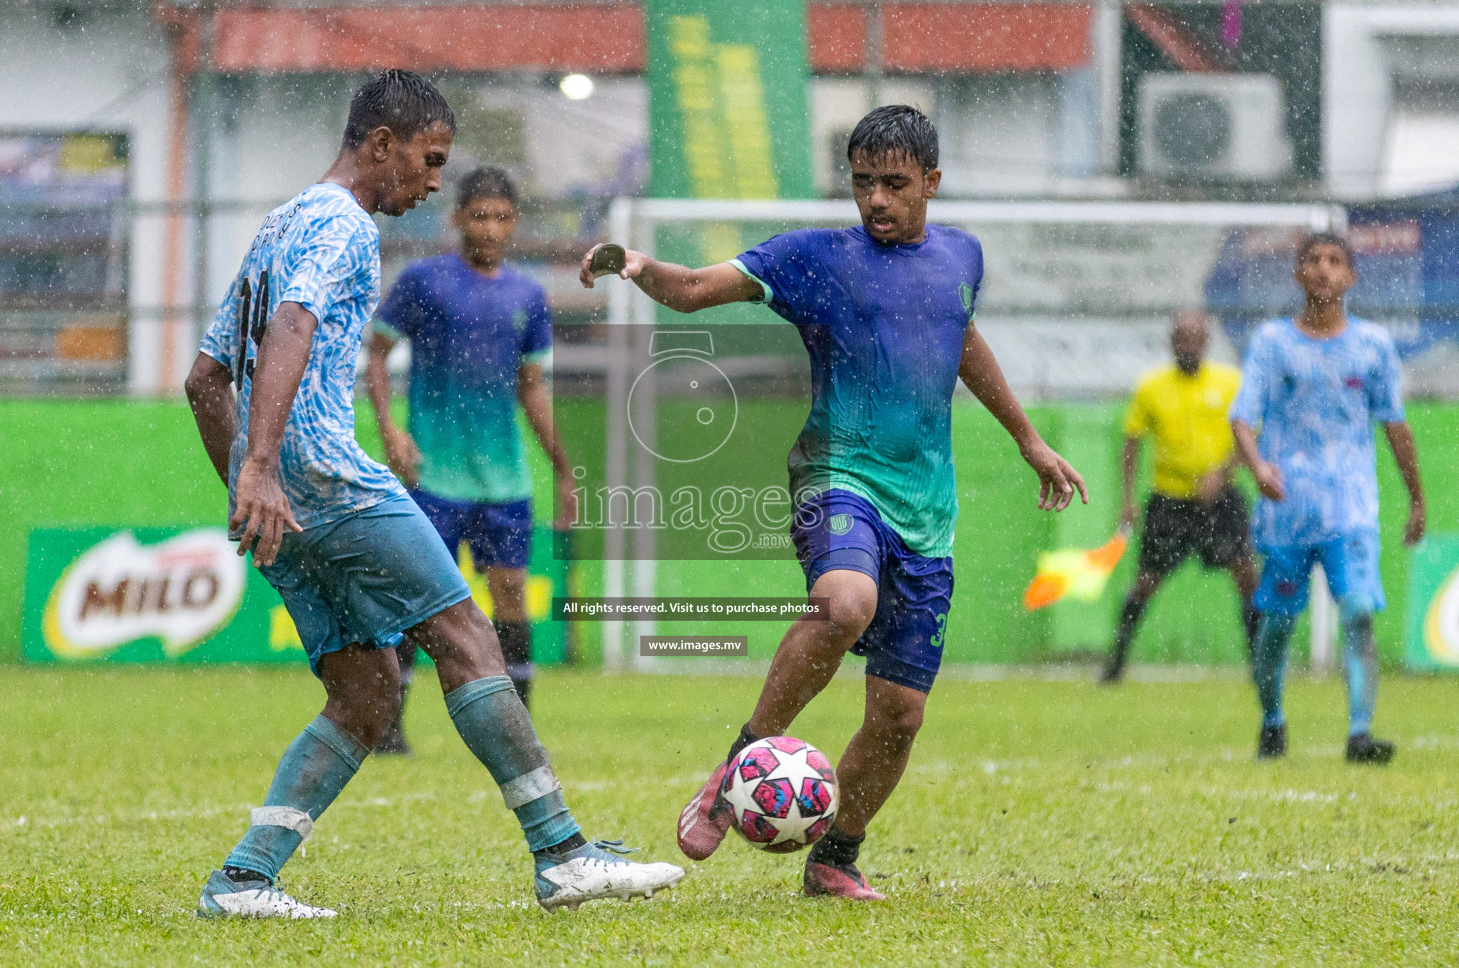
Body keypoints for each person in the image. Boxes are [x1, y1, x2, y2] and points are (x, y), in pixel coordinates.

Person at [183, 70, 682, 919]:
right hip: (329, 476)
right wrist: (268, 468)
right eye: (429, 159)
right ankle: (563, 854)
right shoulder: (343, 226)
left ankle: (243, 880)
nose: (434, 181)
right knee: (466, 633)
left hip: (280, 496)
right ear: (381, 144)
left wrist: (251, 483)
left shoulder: (281, 222)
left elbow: (202, 380)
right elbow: (292, 328)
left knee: (369, 691)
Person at [579, 105, 1086, 900]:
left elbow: (959, 337)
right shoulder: (814, 258)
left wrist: (1026, 437)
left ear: (932, 183)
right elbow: (695, 291)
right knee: (844, 601)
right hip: (837, 477)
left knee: (899, 717)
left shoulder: (962, 254)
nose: (876, 200)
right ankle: (737, 766)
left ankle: (835, 859)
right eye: (862, 183)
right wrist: (638, 266)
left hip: (927, 512)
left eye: (894, 184)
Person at [366, 166, 574, 751]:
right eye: (479, 215)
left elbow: (532, 387)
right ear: (457, 218)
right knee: (417, 596)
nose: (490, 227)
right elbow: (376, 352)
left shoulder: (528, 296)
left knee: (510, 594)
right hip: (434, 473)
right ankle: (389, 725)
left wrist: (562, 467)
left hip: (504, 480)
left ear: (515, 223)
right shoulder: (424, 282)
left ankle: (517, 731)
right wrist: (390, 430)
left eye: (501, 217)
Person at [1230, 232, 1426, 764]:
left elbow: (1395, 425)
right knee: (1277, 625)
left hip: (1352, 511)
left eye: (1335, 261)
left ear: (1351, 278)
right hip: (1287, 512)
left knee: (1359, 611)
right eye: (1312, 260)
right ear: (1297, 274)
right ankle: (1273, 720)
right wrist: (1257, 465)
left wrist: (1417, 499)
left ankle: (1360, 735)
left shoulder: (1373, 346)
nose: (1323, 269)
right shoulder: (1273, 342)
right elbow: (1243, 418)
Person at [1101, 311, 1258, 683]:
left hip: (1221, 500)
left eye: (1194, 337)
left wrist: (1222, 473)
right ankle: (1115, 664)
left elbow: (1250, 437)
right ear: (1171, 342)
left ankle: (1260, 666)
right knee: (1145, 581)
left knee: (1248, 577)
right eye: (1180, 337)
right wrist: (1127, 500)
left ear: (1206, 341)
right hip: (1169, 501)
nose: (1187, 343)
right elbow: (1132, 441)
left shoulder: (1231, 382)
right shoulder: (1151, 387)